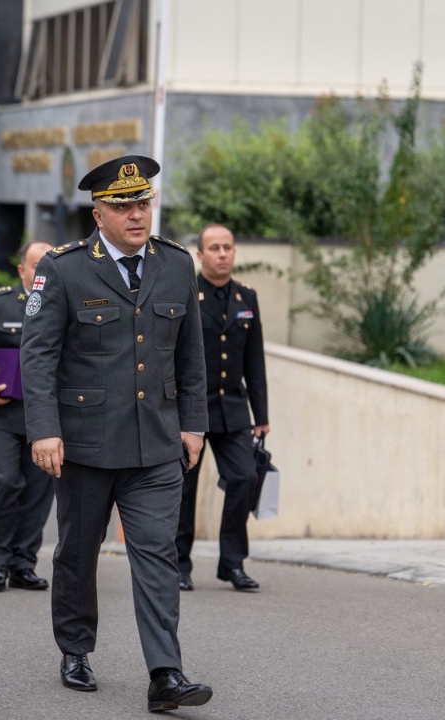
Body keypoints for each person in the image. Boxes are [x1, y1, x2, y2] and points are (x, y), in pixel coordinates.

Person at [21, 156, 214, 712]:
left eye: (144, 203)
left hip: (155, 441)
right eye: (124, 206)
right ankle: (76, 648)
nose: (138, 214)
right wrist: (44, 431)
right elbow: (38, 358)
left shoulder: (177, 265)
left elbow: (190, 355)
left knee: (156, 554)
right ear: (97, 212)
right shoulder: (63, 269)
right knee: (78, 553)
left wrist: (193, 424)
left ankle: (165, 673)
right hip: (83, 443)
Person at [176, 224, 269, 592]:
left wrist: (261, 416)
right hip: (191, 411)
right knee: (184, 490)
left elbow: (254, 362)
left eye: (228, 247)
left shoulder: (247, 297)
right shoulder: (186, 294)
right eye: (214, 248)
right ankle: (179, 564)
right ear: (200, 255)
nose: (222, 254)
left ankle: (232, 563)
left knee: (245, 478)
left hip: (232, 409)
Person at [0, 240, 55, 592]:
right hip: (2, 414)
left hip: (45, 417)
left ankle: (24, 562)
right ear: (22, 270)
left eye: (49, 265)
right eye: (37, 265)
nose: (42, 273)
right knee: (7, 481)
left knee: (39, 490)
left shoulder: (64, 303)